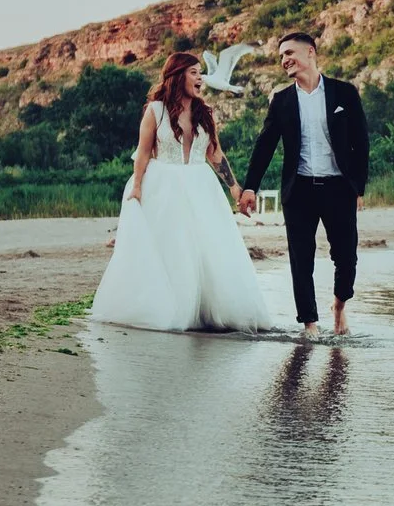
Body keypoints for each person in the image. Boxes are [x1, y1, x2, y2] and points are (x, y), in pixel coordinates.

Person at [91, 52, 275, 332]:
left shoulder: (206, 112)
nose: (200, 78)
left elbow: (215, 154)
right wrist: (138, 186)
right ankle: (173, 308)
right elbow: (142, 152)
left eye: (200, 72)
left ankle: (205, 310)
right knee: (173, 249)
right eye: (193, 72)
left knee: (207, 248)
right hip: (163, 185)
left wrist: (235, 187)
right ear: (177, 76)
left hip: (201, 185)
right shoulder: (155, 110)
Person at [240, 30, 370, 340]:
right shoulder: (282, 100)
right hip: (299, 191)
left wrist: (358, 189)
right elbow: (265, 145)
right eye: (281, 55)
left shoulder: (344, 93)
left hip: (339, 187)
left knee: (347, 257)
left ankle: (339, 306)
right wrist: (250, 187)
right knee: (301, 258)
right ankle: (309, 324)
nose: (284, 59)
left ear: (310, 52)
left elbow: (361, 143)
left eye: (289, 52)